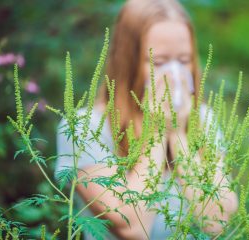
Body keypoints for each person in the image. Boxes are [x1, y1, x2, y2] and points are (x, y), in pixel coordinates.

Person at [55, 0, 238, 239]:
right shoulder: (84, 128)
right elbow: (132, 226)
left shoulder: (205, 120)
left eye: (183, 61)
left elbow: (215, 223)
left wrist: (178, 135)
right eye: (159, 63)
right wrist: (158, 131)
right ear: (128, 63)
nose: (173, 74)